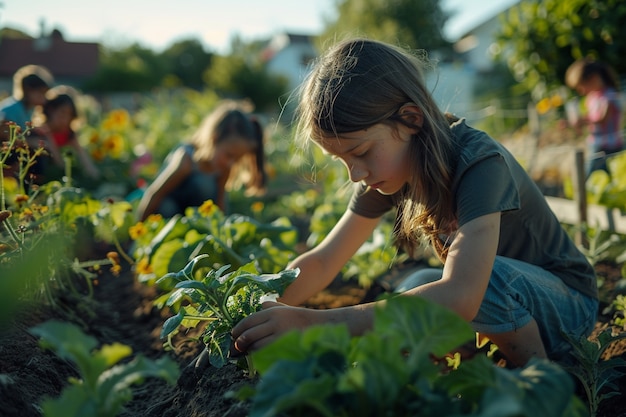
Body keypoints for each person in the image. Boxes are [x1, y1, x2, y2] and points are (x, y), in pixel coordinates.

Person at [232, 38, 598, 368]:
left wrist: (309, 322)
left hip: (567, 309)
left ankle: (544, 380)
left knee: (477, 283)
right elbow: (325, 259)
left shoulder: (479, 161)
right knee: (414, 288)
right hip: (506, 308)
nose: (354, 175)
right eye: (342, 161)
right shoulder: (388, 171)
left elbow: (463, 295)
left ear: (410, 119)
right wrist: (251, 312)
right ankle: (483, 364)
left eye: (360, 152)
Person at [135, 100, 267, 221]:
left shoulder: (223, 168)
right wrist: (138, 234)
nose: (231, 163)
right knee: (197, 189)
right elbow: (155, 194)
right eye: (229, 155)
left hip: (194, 222)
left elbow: (220, 205)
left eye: (237, 160)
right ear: (214, 139)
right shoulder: (186, 160)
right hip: (165, 218)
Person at [565, 58, 624, 177]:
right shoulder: (592, 98)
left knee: (590, 177)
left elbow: (603, 119)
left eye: (582, 86)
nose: (581, 91)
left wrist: (583, 121)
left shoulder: (609, 96)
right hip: (596, 144)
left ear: (593, 78)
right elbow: (591, 119)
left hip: (609, 146)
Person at [0, 65, 54, 180]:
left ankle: (36, 181)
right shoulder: (12, 108)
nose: (44, 98)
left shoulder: (29, 110)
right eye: (41, 93)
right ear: (28, 90)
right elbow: (6, 136)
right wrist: (32, 142)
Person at [37, 86, 100, 181]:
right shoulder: (41, 131)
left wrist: (95, 176)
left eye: (69, 115)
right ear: (50, 110)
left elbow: (83, 157)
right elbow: (58, 162)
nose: (65, 120)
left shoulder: (68, 133)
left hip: (59, 173)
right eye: (62, 114)